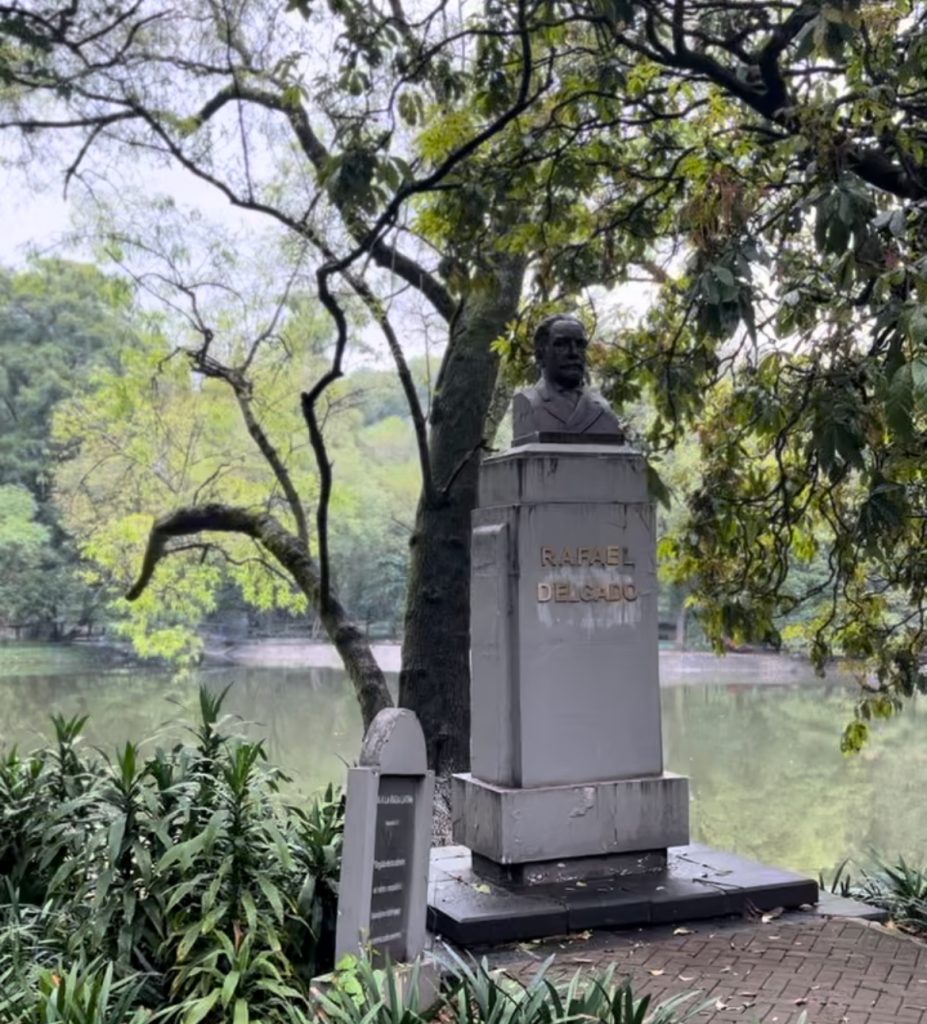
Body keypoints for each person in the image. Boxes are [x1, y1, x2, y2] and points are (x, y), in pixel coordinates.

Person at [512, 314, 622, 440]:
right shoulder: (528, 403)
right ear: (540, 356)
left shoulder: (603, 409)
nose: (574, 353)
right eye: (561, 345)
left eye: (580, 345)